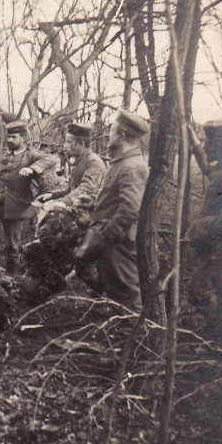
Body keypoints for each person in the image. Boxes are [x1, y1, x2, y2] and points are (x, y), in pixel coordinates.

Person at [73, 110, 149, 312]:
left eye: (112, 131)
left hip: (119, 241)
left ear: (122, 136)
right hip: (110, 237)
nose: (108, 135)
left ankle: (134, 337)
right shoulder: (121, 162)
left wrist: (107, 235)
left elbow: (130, 210)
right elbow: (114, 199)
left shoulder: (132, 166)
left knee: (127, 295)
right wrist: (91, 202)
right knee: (110, 284)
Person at [186, 119, 222, 349]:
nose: (206, 145)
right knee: (221, 293)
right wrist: (193, 140)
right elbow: (208, 168)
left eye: (209, 141)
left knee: (208, 290)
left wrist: (201, 227)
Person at [0, 119, 59, 275]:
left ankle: (12, 277)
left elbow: (51, 159)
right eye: (8, 136)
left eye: (14, 137)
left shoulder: (29, 154)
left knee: (12, 244)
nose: (9, 140)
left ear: (23, 138)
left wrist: (33, 169)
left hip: (17, 204)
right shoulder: (2, 155)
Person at [37, 122, 106, 211]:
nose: (65, 146)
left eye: (69, 142)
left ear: (81, 143)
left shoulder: (93, 162)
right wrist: (52, 195)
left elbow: (85, 190)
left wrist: (59, 203)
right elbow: (71, 189)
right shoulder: (81, 160)